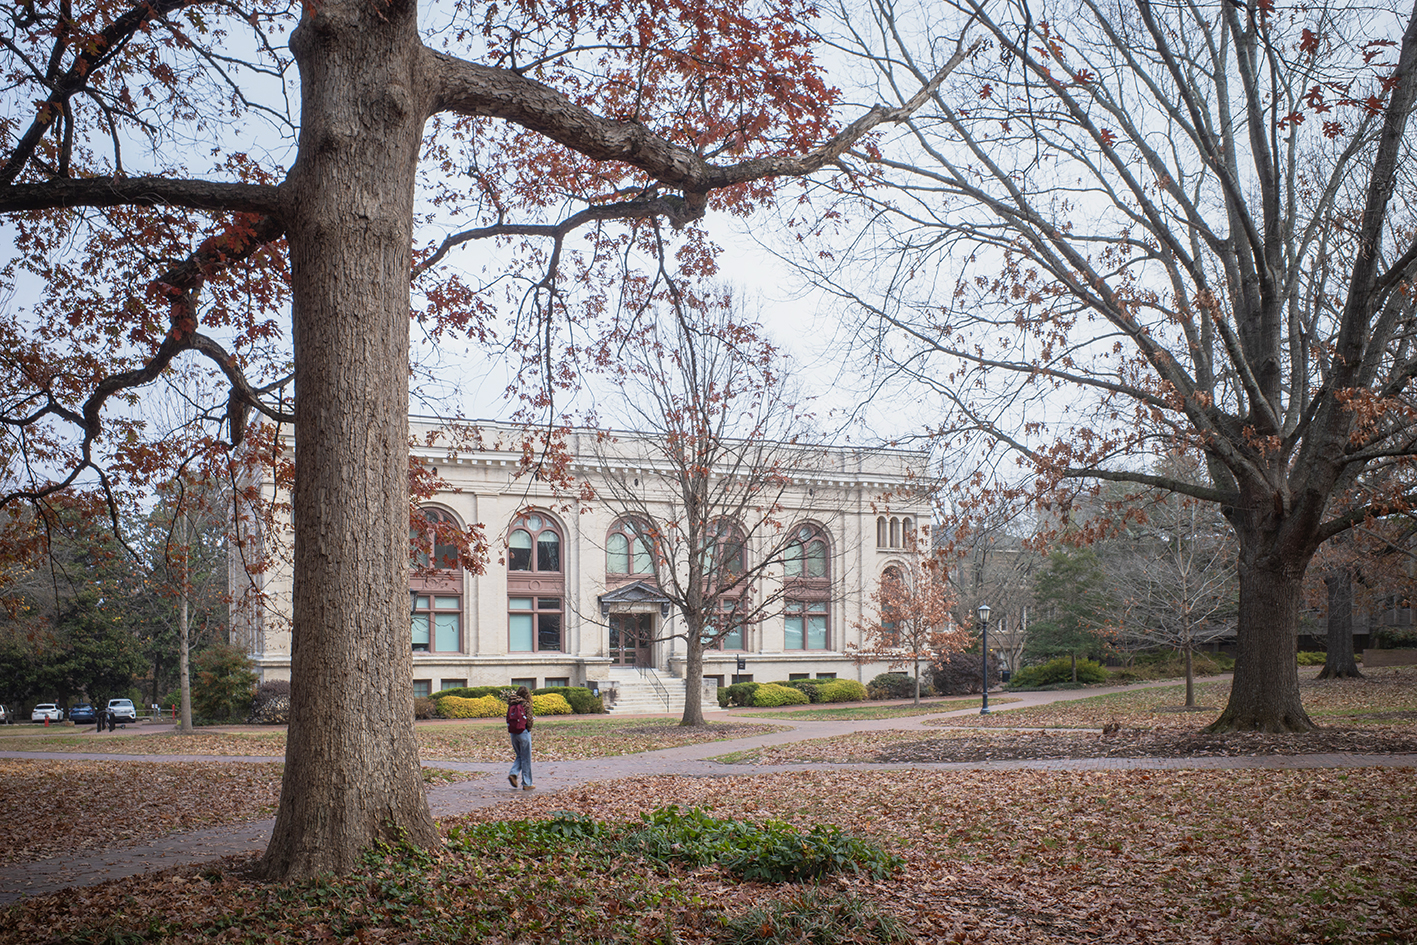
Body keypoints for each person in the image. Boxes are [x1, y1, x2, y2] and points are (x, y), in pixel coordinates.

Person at [505, 686, 535, 791]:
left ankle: (513, 773)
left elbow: (507, 718)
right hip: (523, 732)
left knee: (520, 755)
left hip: (513, 733)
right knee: (526, 758)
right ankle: (527, 783)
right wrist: (528, 729)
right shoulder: (525, 704)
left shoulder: (511, 704)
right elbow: (530, 720)